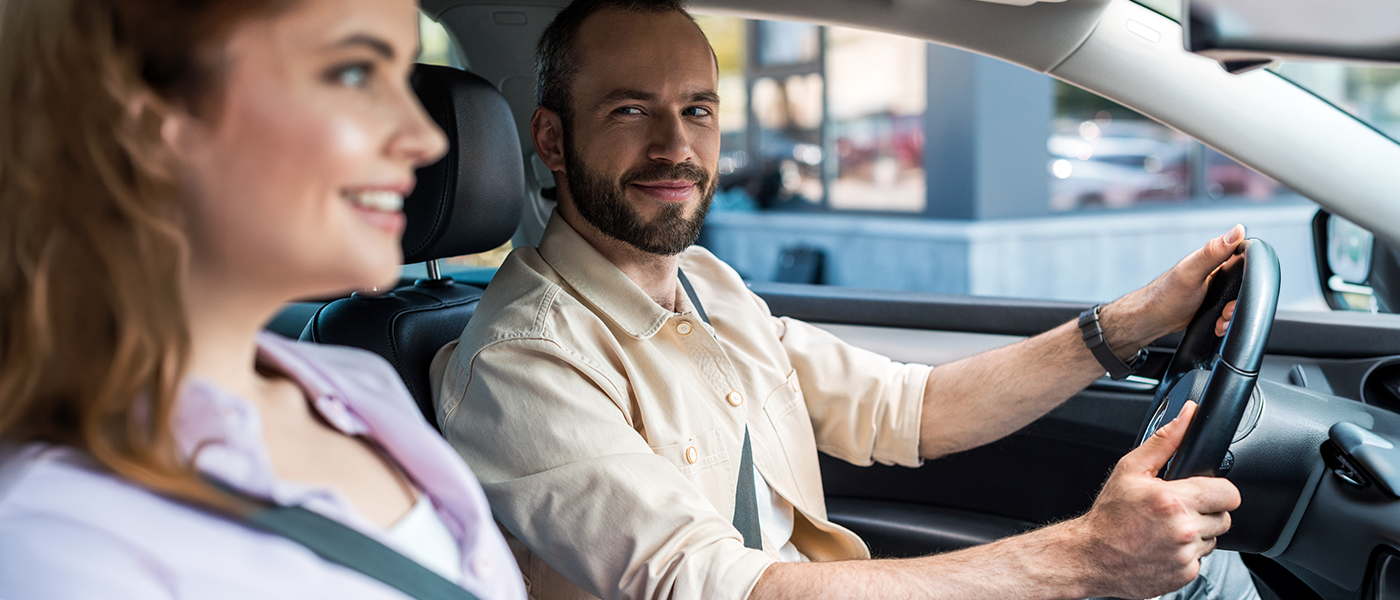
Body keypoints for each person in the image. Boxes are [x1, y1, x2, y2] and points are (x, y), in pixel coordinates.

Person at [432, 1, 1265, 599]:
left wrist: (1134, 320)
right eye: (629, 111)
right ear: (551, 139)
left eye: (697, 110)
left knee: (1206, 575)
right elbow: (712, 586)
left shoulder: (709, 286)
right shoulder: (522, 359)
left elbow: (909, 408)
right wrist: (1086, 560)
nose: (675, 147)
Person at [0, 0, 525, 598]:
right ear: (150, 123)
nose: (426, 139)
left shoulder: (353, 389)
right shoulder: (57, 541)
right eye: (355, 73)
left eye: (402, 77)